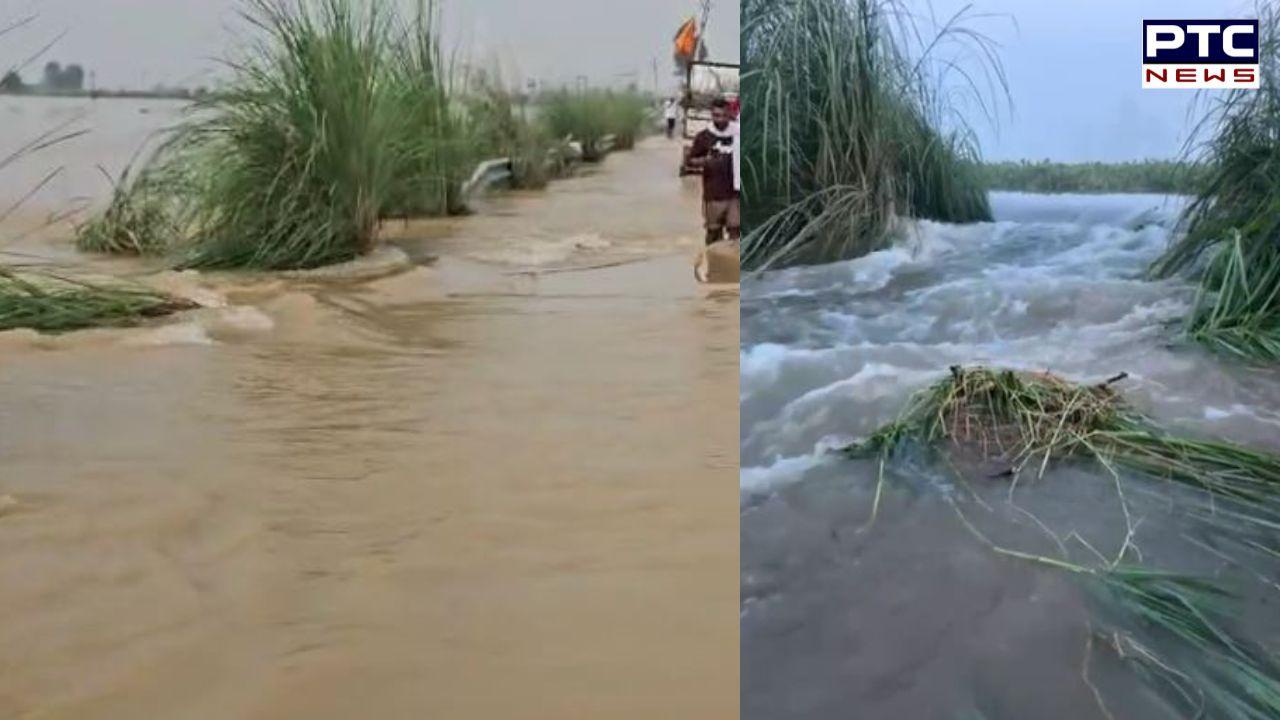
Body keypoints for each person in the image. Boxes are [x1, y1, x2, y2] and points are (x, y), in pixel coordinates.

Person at [687, 97, 740, 247]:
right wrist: (706, 161)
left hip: (735, 193)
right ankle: (713, 267)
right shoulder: (704, 137)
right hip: (714, 194)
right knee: (714, 234)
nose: (721, 119)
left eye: (724, 115)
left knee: (735, 234)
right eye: (717, 115)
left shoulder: (738, 133)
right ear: (712, 115)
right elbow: (690, 161)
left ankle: (731, 268)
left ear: (730, 113)